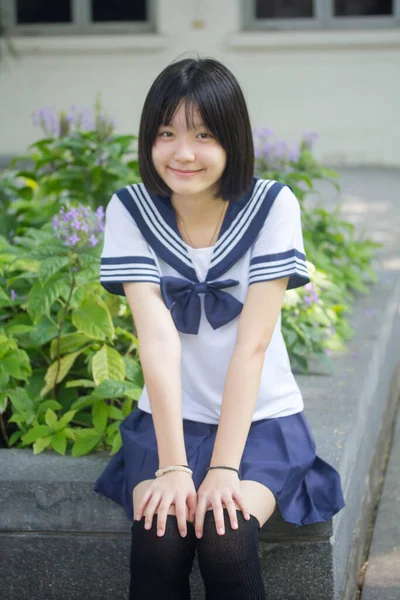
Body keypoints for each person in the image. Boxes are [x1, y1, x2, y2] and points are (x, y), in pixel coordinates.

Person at [94, 56, 345, 599]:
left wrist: (225, 467)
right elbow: (156, 341)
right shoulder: (130, 210)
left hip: (260, 424)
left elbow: (252, 346)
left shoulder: (272, 205)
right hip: (167, 423)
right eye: (166, 133)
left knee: (225, 535)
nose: (183, 152)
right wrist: (174, 466)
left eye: (203, 134)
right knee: (160, 537)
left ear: (233, 138)